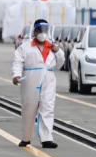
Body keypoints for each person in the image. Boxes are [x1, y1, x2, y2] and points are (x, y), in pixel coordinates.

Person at [12, 19, 65, 149]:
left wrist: (58, 51)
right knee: (29, 109)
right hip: (30, 79)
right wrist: (16, 75)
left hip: (48, 79)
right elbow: (18, 62)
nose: (43, 33)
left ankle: (47, 139)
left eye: (45, 30)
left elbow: (60, 63)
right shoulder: (25, 47)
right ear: (35, 31)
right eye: (40, 30)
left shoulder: (52, 47)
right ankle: (26, 138)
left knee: (47, 107)